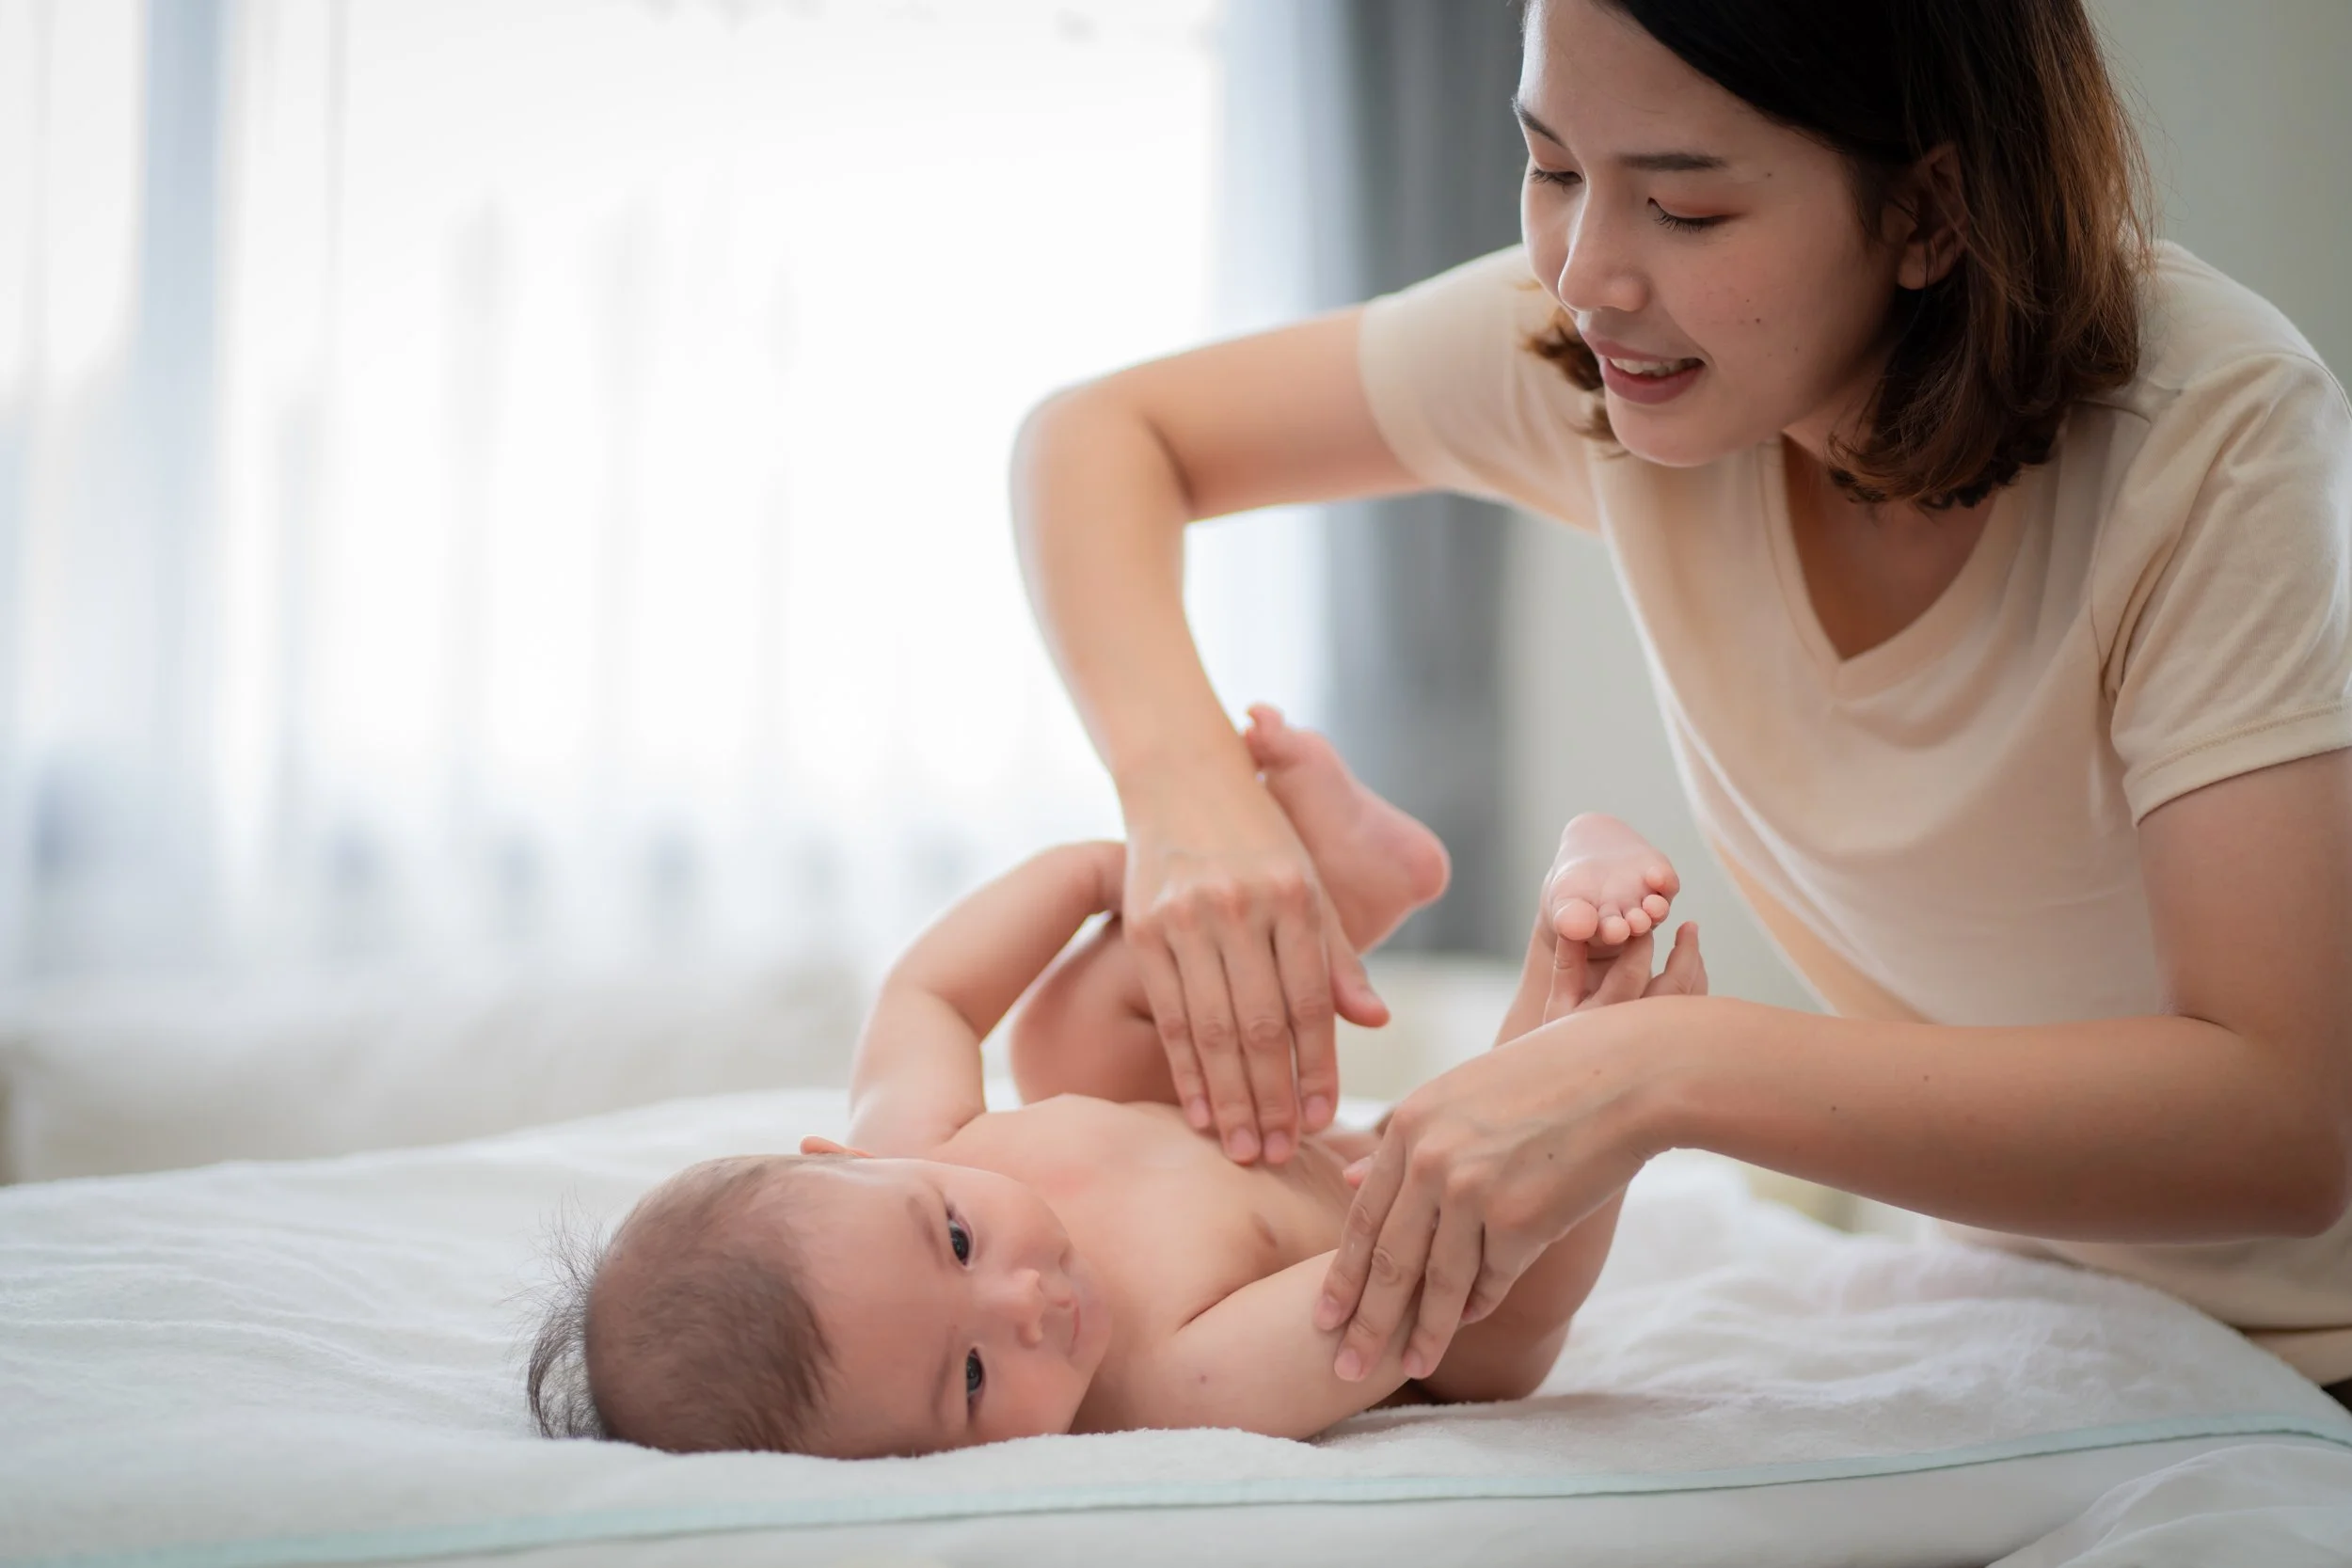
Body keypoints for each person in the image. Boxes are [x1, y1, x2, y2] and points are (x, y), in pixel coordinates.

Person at [1009, 0, 2352, 1399]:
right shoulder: (1614, 365)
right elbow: (1099, 436)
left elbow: (2280, 1122)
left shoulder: (2210, 437)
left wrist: (1660, 1069)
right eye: (1552, 167)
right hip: (2025, 1313)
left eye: (1685, 209)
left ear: (1930, 214)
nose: (1588, 275)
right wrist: (1188, 800)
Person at [526, 709, 1705, 1455]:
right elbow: (1396, 1296)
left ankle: (1324, 887)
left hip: (1239, 1110)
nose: (1024, 1300)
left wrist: (1114, 872)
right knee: (1498, 1243)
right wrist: (1531, 1102)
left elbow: (927, 996)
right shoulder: (1171, 1382)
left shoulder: (928, 1135)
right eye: (974, 1376)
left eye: (952, 1238)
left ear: (852, 1158)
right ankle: (1583, 973)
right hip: (1413, 1238)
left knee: (1068, 1032)